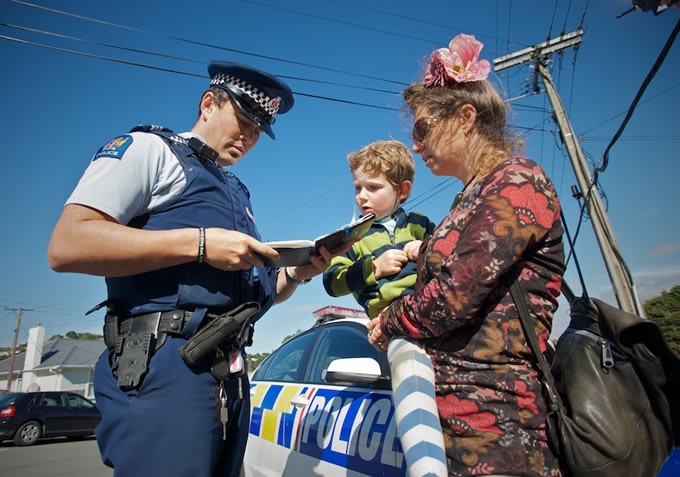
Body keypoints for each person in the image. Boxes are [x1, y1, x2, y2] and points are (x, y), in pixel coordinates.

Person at [47, 61, 344, 477]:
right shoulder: (149, 150)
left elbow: (245, 295)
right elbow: (67, 245)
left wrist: (298, 273)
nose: (249, 137)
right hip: (165, 368)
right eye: (243, 121)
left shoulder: (237, 190)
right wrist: (201, 244)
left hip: (227, 376)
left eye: (258, 131)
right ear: (209, 103)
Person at [367, 33, 566, 477]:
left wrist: (389, 319)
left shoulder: (518, 182)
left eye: (421, 129)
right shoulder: (470, 198)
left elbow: (453, 296)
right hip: (452, 423)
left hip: (498, 429)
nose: (415, 146)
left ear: (465, 117)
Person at [322, 140, 447, 476]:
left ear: (402, 190)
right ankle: (426, 469)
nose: (362, 196)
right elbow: (332, 280)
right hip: (393, 321)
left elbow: (449, 260)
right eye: (358, 188)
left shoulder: (421, 223)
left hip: (436, 312)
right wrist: (373, 269)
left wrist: (426, 249)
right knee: (409, 363)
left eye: (373, 187)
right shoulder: (353, 237)